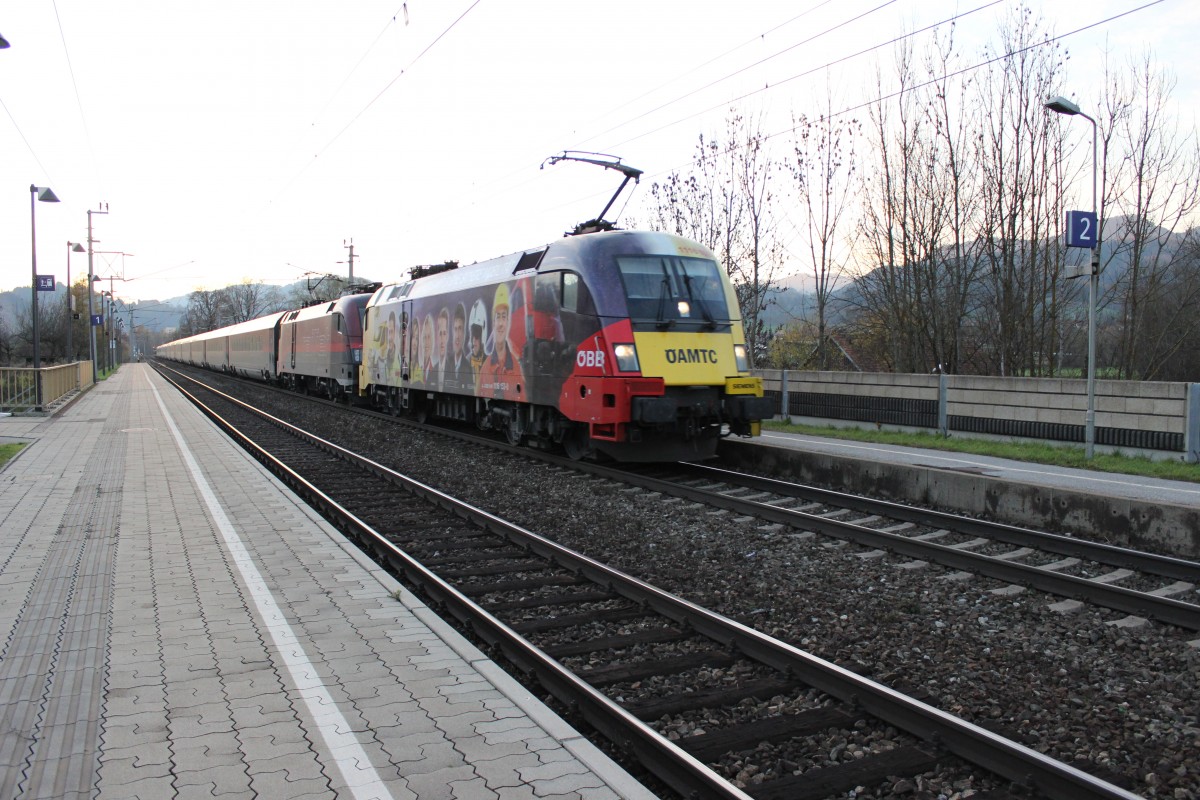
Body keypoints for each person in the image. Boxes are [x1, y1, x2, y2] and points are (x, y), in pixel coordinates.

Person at [478, 282, 525, 401]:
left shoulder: (516, 367)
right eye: (497, 317)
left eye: (503, 317)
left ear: (508, 321)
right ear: (493, 322)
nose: (500, 324)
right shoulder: (485, 368)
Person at [450, 303, 474, 393]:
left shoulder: (469, 368)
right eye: (455, 329)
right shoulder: (446, 363)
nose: (457, 336)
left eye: (460, 329)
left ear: (464, 333)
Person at [434, 307, 450, 391]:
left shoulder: (452, 368)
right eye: (440, 333)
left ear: (447, 336)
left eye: (444, 333)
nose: (442, 340)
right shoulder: (431, 372)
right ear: (436, 336)